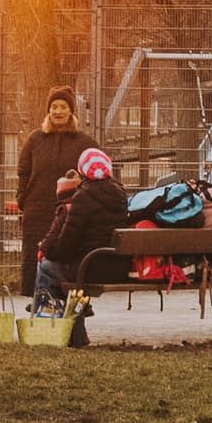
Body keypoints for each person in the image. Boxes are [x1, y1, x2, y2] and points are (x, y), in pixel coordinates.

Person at [15, 89, 92, 287]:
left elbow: (96, 172)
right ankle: (37, 303)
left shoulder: (84, 143)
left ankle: (68, 304)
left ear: (71, 111)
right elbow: (23, 171)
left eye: (63, 107)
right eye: (54, 107)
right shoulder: (35, 140)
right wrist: (22, 198)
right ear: (48, 111)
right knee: (35, 258)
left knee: (66, 259)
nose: (58, 111)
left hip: (70, 215)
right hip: (37, 211)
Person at [34, 147, 129, 309]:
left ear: (81, 170)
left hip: (89, 267)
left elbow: (67, 244)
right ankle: (75, 309)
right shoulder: (120, 195)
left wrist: (48, 251)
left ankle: (49, 311)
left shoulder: (82, 197)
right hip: (118, 268)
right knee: (56, 266)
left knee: (46, 265)